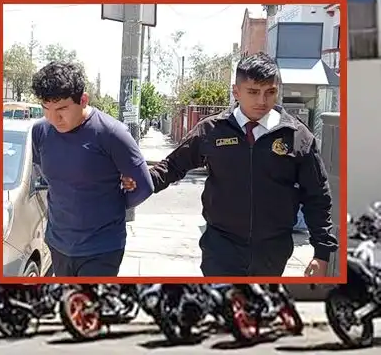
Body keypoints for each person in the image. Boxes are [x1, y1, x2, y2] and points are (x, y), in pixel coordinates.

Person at [133, 52, 337, 277]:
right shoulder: (212, 130)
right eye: (253, 92)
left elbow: (317, 196)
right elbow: (173, 166)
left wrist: (322, 252)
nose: (262, 101)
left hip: (272, 252)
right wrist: (138, 181)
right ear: (236, 92)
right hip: (221, 248)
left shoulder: (297, 136)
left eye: (270, 92)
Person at [29, 60, 153, 277]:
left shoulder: (111, 134)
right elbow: (48, 176)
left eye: (62, 109)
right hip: (58, 244)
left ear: (83, 100)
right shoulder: (41, 131)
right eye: (46, 108)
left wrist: (114, 204)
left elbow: (143, 186)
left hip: (101, 248)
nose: (53, 118)